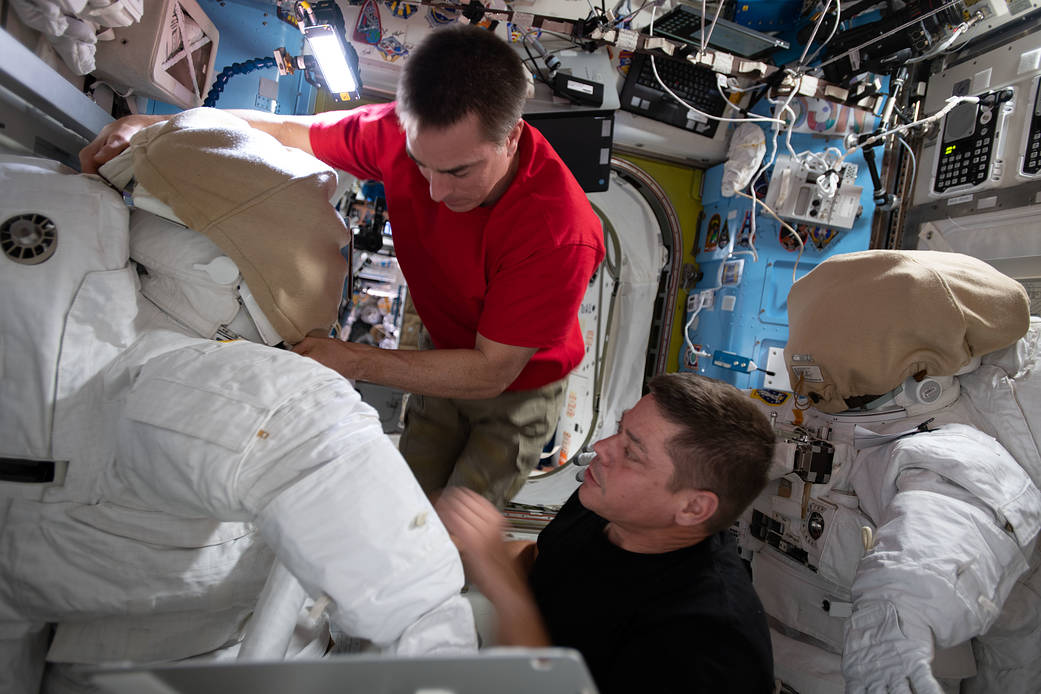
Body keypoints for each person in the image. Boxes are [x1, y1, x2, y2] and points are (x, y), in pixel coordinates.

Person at [2, 115, 476, 694]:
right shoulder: (243, 391)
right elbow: (412, 601)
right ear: (231, 268)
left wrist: (155, 137)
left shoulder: (62, 250)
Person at [79, 24, 606, 507]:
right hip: (444, 349)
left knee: (452, 535)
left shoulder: (559, 232)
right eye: (422, 166)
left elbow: (493, 370)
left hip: (518, 386)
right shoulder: (395, 136)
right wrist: (156, 125)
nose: (436, 191)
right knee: (400, 506)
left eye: (459, 171)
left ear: (512, 135)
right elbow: (285, 131)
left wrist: (351, 360)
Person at [737, 250, 1041, 694]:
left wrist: (893, 623)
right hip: (762, 645)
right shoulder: (803, 414)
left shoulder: (943, 448)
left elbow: (938, 537)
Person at [437, 372, 777, 694]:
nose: (601, 447)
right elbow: (547, 561)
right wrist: (464, 554)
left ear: (692, 508)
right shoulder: (604, 505)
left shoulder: (709, 642)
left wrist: (507, 593)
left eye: (631, 452)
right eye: (619, 428)